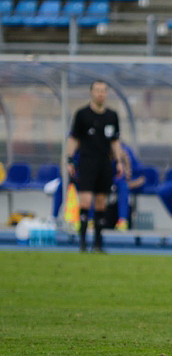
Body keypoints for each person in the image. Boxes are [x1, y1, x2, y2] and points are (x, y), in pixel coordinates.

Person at [65, 80, 126, 253]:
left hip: (104, 163)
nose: (100, 93)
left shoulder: (112, 116)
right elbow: (73, 139)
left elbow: (115, 141)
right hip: (86, 162)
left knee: (101, 203)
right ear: (92, 92)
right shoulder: (82, 114)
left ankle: (98, 244)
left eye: (104, 91)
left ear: (106, 94)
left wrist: (119, 161)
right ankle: (83, 243)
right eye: (97, 90)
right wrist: (70, 160)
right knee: (85, 201)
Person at [111, 142, 147, 230]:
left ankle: (123, 221)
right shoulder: (102, 151)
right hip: (109, 181)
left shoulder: (127, 151)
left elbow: (141, 176)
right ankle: (91, 220)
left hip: (123, 183)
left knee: (123, 186)